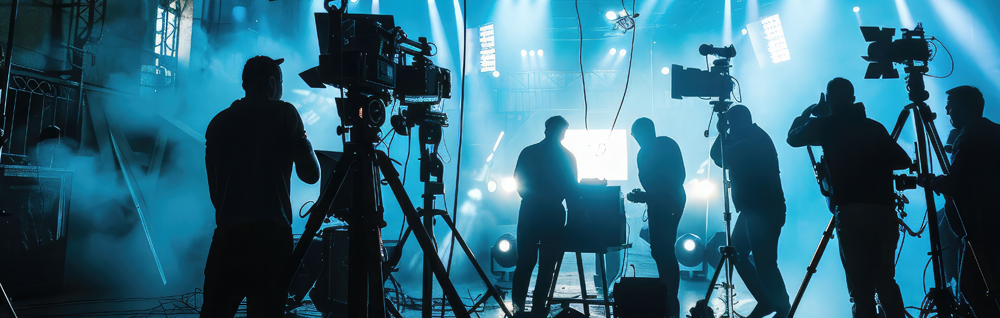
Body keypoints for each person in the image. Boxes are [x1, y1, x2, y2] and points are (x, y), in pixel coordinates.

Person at [202, 55, 320, 318]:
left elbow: (215, 192)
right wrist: (303, 141)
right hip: (270, 240)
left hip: (227, 236)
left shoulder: (218, 122)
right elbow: (311, 175)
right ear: (271, 83)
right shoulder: (285, 113)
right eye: (280, 81)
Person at [787, 78, 911, 318]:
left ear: (829, 99)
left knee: (861, 291)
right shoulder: (874, 127)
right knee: (885, 282)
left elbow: (793, 138)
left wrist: (809, 114)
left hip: (852, 213)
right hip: (883, 212)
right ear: (853, 99)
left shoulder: (826, 125)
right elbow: (903, 161)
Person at [919, 85, 1000, 316]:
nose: (947, 112)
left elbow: (958, 183)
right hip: (989, 224)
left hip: (981, 228)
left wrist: (932, 182)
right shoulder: (994, 131)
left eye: (951, 107)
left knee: (972, 287)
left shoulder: (969, 136)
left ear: (966, 107)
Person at [710, 105, 790, 318]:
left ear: (737, 124)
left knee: (765, 264)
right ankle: (768, 301)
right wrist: (725, 132)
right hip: (754, 210)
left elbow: (719, 157)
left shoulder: (750, 142)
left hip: (763, 211)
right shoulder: (754, 136)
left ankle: (782, 307)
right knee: (738, 252)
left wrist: (721, 132)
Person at [511, 116, 579, 317]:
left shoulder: (528, 152)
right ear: (562, 133)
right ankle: (539, 308)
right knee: (547, 264)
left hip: (530, 211)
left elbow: (518, 181)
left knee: (524, 262)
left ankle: (518, 308)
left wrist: (530, 197)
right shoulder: (568, 157)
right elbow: (572, 190)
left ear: (546, 129)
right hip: (553, 213)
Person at [630, 117, 686, 318]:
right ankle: (668, 293)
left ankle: (670, 295)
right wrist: (647, 196)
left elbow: (668, 182)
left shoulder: (651, 150)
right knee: (661, 249)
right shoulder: (663, 145)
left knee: (663, 250)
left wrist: (647, 196)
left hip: (667, 203)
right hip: (666, 201)